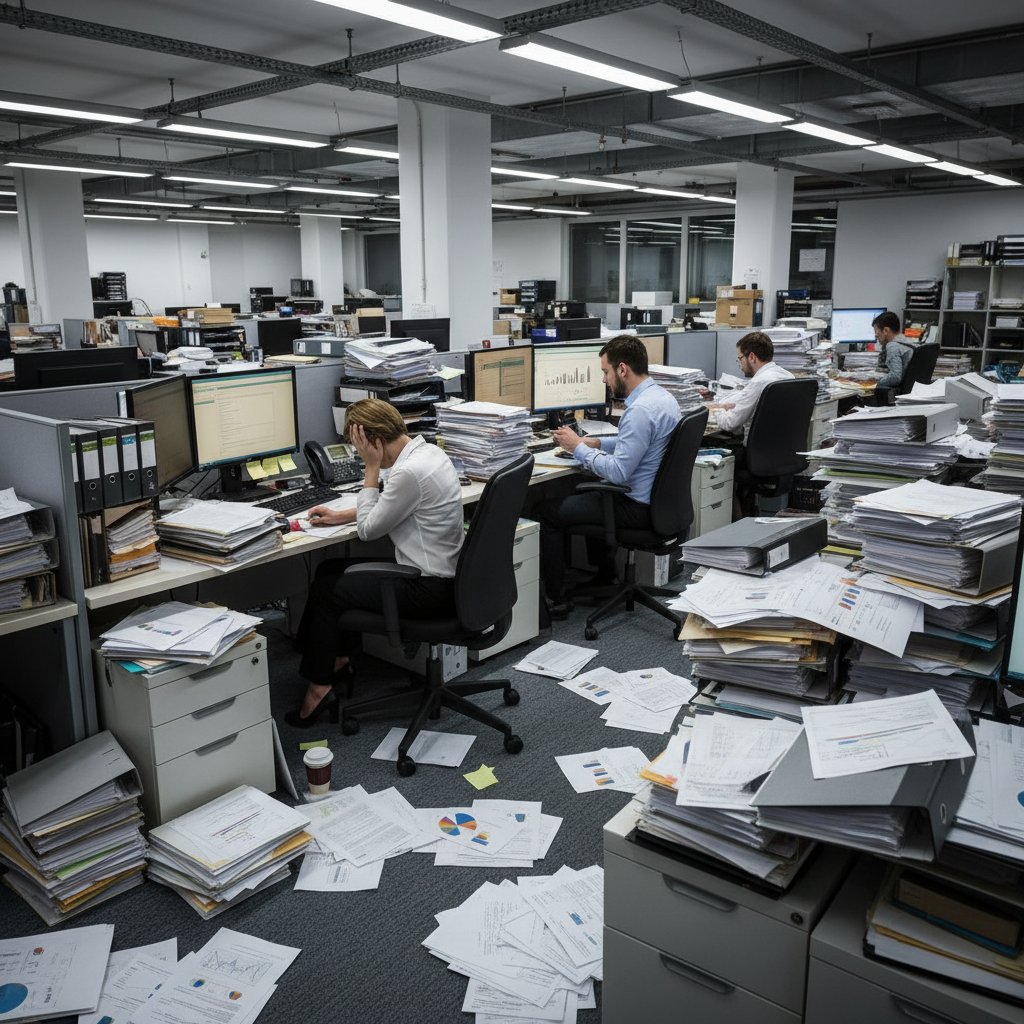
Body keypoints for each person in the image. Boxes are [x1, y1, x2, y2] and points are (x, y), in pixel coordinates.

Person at [286, 398, 464, 727]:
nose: (359, 454)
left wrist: (370, 469)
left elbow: (369, 530)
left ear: (374, 442)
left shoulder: (408, 472)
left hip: (427, 590)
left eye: (359, 448)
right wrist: (341, 515)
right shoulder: (427, 453)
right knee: (329, 570)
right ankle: (337, 660)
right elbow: (395, 505)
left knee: (327, 590)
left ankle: (319, 686)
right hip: (449, 579)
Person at [538, 334, 681, 618]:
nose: (604, 379)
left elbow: (618, 472)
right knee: (586, 489)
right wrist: (598, 444)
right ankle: (605, 577)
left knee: (545, 512)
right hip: (659, 504)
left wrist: (577, 447)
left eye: (606, 371)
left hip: (635, 507)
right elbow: (640, 444)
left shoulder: (639, 411)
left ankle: (557, 600)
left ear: (622, 369)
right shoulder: (663, 399)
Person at [704, 331, 794, 441]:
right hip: (781, 446)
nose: (739, 364)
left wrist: (716, 407)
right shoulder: (788, 376)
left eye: (740, 358)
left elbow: (729, 423)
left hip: (757, 449)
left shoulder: (760, 382)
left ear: (751, 357)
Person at [872, 311, 914, 390]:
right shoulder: (908, 342)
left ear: (886, 330)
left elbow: (895, 377)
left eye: (876, 332)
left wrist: (874, 383)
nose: (876, 335)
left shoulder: (892, 346)